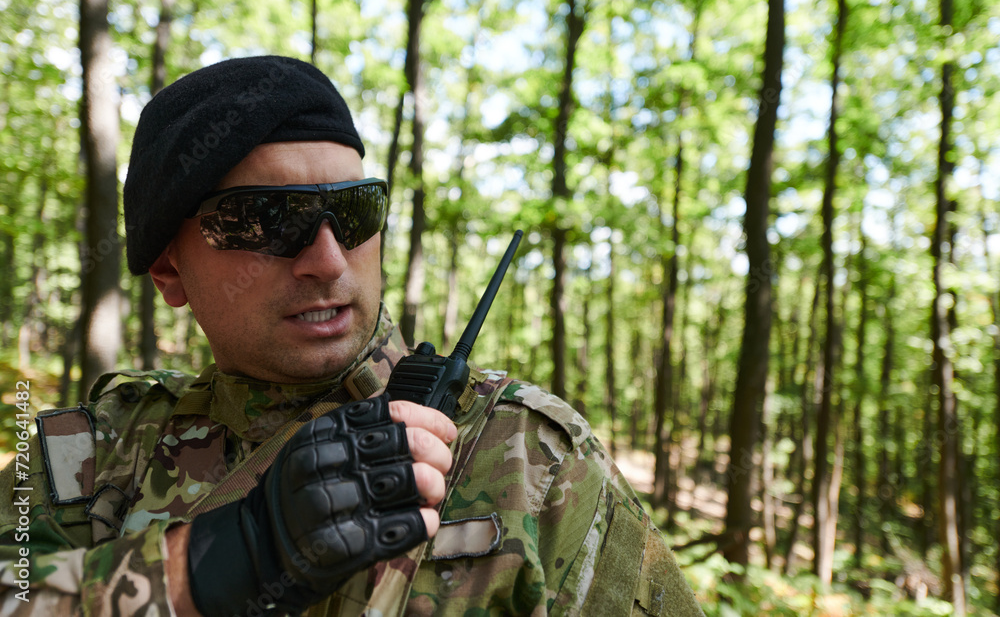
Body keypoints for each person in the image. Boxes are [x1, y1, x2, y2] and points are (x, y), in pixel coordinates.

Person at [0, 56, 704, 616]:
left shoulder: (524, 454)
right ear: (168, 270)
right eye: (265, 219)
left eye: (354, 210)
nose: (329, 260)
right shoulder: (85, 449)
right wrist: (214, 564)